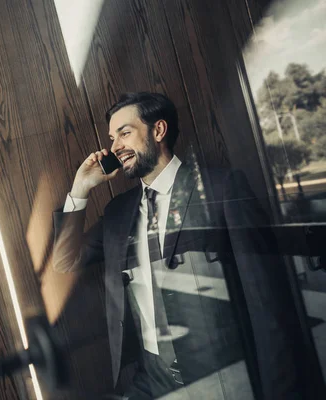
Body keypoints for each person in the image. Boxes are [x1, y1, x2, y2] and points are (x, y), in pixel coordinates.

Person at [52, 92, 306, 399]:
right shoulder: (118, 213)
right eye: (112, 137)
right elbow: (65, 261)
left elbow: (266, 300)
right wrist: (81, 188)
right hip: (150, 379)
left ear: (158, 131)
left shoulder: (221, 189)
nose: (115, 147)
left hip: (221, 373)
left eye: (125, 133)